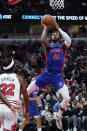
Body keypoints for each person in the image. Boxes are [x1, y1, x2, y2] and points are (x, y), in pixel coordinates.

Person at [27, 19, 71, 129]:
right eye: (53, 34)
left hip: (57, 76)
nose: (54, 35)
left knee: (67, 98)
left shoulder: (63, 46)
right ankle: (15, 104)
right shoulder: (49, 47)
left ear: (59, 37)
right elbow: (42, 40)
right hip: (46, 74)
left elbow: (69, 40)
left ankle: (58, 115)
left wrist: (58, 28)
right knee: (27, 91)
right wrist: (45, 29)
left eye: (56, 34)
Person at [0, 58, 29, 131]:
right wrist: (27, 111)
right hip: (11, 108)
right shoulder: (19, 78)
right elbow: (26, 97)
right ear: (14, 67)